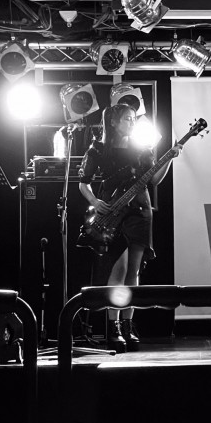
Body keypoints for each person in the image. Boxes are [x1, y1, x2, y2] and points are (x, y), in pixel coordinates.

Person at [79, 104, 182, 351]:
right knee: (119, 268)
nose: (132, 123)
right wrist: (95, 202)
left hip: (140, 211)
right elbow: (83, 183)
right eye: (127, 119)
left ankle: (128, 325)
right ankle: (113, 326)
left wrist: (170, 158)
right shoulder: (98, 149)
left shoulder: (141, 149)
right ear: (113, 122)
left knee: (134, 272)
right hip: (113, 212)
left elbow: (154, 180)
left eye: (134, 119)